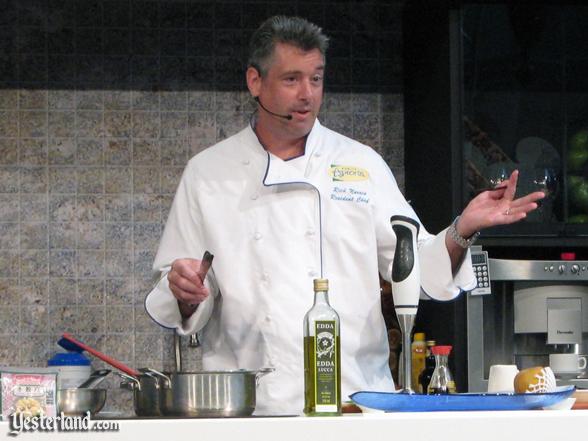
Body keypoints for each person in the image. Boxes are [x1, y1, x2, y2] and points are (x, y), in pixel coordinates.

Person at [145, 16, 544, 415]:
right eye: (291, 80)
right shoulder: (209, 173)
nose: (307, 95)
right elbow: (178, 290)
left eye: (316, 79)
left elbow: (418, 271)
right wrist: (184, 293)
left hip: (357, 404)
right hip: (255, 410)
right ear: (255, 81)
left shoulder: (359, 164)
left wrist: (463, 229)